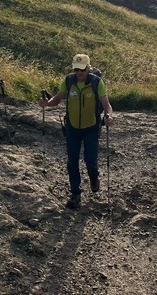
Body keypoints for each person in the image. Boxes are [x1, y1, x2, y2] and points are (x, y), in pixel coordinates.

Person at [40, 53, 114, 209]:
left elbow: (106, 105)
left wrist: (108, 116)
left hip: (91, 128)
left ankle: (94, 177)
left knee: (90, 160)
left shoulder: (96, 82)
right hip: (72, 128)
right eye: (76, 69)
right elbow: (57, 99)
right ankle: (75, 193)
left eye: (82, 69)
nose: (79, 73)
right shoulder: (68, 81)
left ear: (88, 68)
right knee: (72, 162)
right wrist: (47, 103)